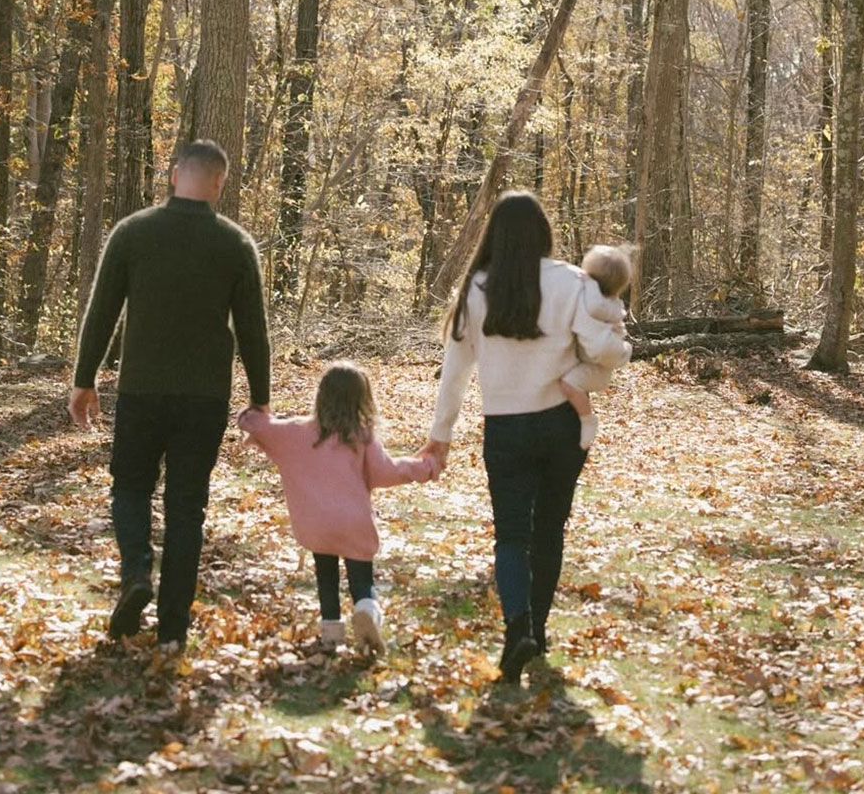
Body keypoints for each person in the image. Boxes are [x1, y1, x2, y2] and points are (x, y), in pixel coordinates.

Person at [68, 140, 270, 650]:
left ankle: (137, 571)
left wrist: (84, 379)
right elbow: (253, 331)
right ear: (220, 183)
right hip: (204, 400)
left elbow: (102, 311)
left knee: (130, 489)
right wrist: (261, 398)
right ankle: (174, 629)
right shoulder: (235, 245)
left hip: (142, 390)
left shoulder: (134, 232)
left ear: (175, 173)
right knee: (187, 509)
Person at [423, 191, 632, 685]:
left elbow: (454, 372)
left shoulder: (475, 288)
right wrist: (597, 367)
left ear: (492, 233)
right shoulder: (572, 282)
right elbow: (600, 349)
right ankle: (537, 628)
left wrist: (441, 436)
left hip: (505, 429)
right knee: (549, 530)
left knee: (511, 534)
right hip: (560, 422)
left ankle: (517, 626)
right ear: (544, 234)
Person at [237, 361, 438, 655]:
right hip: (353, 522)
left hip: (316, 525)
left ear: (320, 396)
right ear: (363, 400)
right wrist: (426, 466)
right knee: (361, 577)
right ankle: (366, 609)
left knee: (326, 574)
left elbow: (255, 423)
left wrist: (254, 412)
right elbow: (386, 471)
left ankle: (331, 632)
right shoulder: (362, 435)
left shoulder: (295, 431)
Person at [559, 243, 634, 450]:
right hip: (598, 361)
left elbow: (592, 305)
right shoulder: (610, 303)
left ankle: (587, 419)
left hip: (598, 369)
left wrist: (587, 283)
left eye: (587, 272)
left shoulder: (601, 303)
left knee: (568, 384)